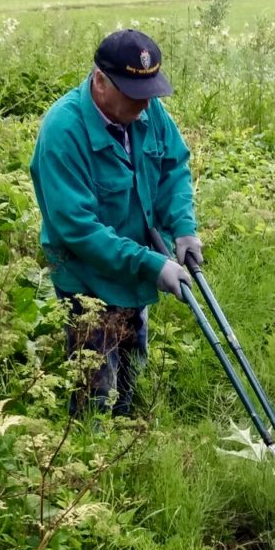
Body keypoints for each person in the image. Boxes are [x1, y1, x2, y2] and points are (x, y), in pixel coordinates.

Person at [30, 29, 202, 417]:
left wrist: (183, 227)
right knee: (95, 392)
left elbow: (173, 167)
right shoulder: (63, 131)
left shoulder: (146, 110)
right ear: (100, 81)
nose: (144, 105)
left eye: (148, 94)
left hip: (133, 271)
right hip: (87, 281)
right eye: (132, 94)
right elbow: (77, 228)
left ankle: (128, 443)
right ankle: (89, 461)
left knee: (131, 376)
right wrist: (153, 265)